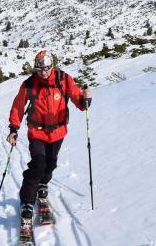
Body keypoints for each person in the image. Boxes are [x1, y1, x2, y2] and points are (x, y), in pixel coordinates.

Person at [7, 50, 92, 219]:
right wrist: (13, 129)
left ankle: (42, 185)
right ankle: (27, 201)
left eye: (46, 69)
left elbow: (79, 101)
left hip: (58, 132)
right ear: (35, 69)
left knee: (51, 164)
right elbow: (18, 106)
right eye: (40, 70)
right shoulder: (29, 84)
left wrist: (86, 99)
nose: (44, 73)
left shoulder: (64, 79)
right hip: (37, 132)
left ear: (51, 66)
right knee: (38, 165)